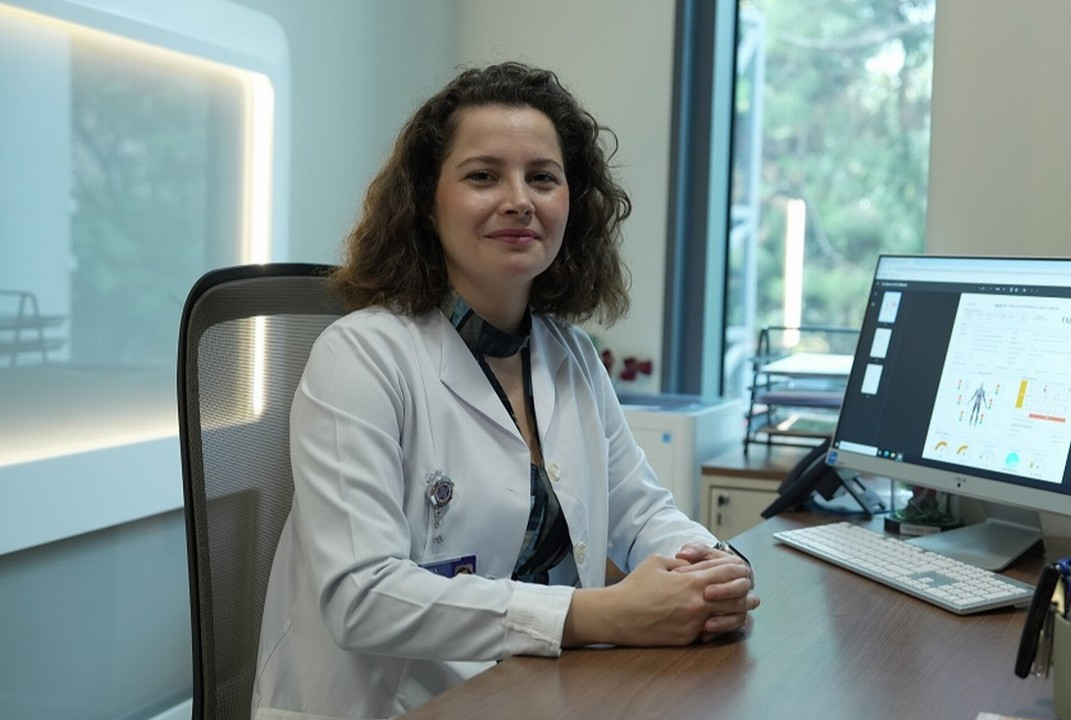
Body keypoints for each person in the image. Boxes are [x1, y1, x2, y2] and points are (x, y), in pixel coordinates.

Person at [251, 62, 760, 720]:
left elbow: (640, 513)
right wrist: (603, 612)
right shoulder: (360, 358)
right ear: (427, 203)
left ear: (571, 203)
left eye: (542, 177)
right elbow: (362, 596)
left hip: (532, 692)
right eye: (483, 176)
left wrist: (713, 568)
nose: (519, 200)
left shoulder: (571, 357)